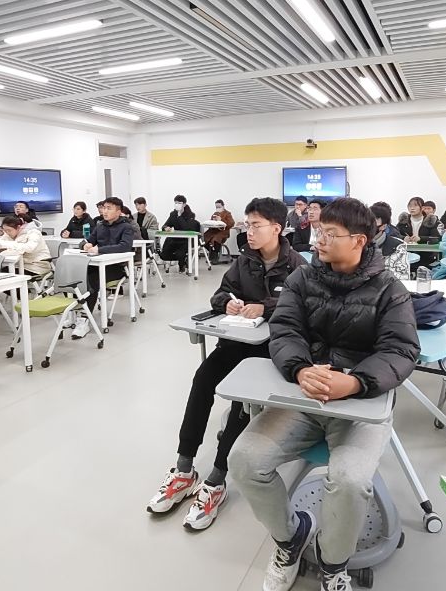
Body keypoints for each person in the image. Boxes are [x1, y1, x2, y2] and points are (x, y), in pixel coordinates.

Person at [229, 197, 419, 591]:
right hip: (304, 396)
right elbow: (285, 330)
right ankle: (290, 538)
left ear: (359, 241)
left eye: (330, 234)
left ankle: (334, 564)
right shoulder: (302, 279)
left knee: (349, 480)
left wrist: (357, 381)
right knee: (244, 460)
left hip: (361, 403)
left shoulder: (390, 289)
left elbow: (401, 351)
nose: (319, 241)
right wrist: (300, 368)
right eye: (319, 232)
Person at [147, 197, 306, 531]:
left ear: (277, 228)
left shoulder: (297, 266)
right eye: (248, 225)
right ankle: (184, 468)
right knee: (203, 379)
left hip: (271, 351)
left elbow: (300, 306)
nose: (249, 231)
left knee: (239, 399)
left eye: (256, 225)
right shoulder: (243, 260)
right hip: (236, 342)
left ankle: (216, 481)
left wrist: (265, 307)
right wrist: (228, 305)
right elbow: (219, 295)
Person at [75, 197, 134, 338]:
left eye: (109, 208)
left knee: (92, 279)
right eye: (104, 208)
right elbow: (86, 241)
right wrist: (85, 245)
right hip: (97, 265)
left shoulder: (126, 227)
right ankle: (75, 313)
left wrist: (100, 249)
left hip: (116, 268)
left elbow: (125, 246)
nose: (105, 211)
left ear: (118, 212)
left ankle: (84, 319)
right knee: (75, 277)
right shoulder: (100, 225)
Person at [159, 195, 201, 273]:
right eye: (175, 203)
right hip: (175, 239)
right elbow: (165, 225)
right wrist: (166, 228)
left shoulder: (190, 215)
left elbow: (186, 228)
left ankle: (182, 264)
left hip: (186, 240)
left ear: (184, 204)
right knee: (164, 255)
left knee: (180, 253)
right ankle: (183, 259)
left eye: (179, 203)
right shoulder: (173, 214)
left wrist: (179, 216)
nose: (177, 204)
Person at [369, 202, 409, 281]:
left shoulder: (398, 247)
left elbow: (402, 278)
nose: (369, 225)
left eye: (374, 221)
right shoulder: (358, 244)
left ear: (384, 226)